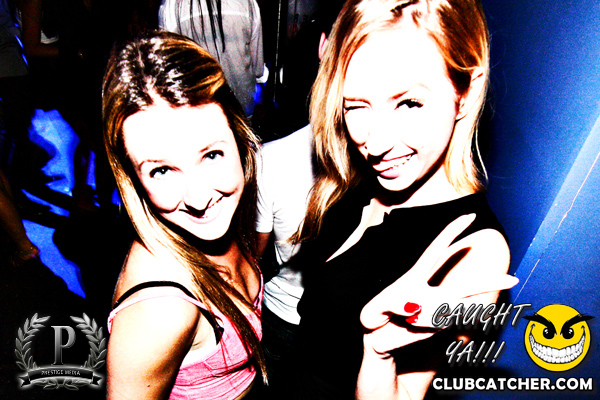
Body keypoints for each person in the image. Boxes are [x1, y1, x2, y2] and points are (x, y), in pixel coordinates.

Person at [291, 0, 518, 398]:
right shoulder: (362, 178)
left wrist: (379, 352)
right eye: (356, 106)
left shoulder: (473, 249)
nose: (375, 144)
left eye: (409, 103)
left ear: (466, 92)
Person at [102, 31, 266, 399]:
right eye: (161, 170)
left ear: (239, 138)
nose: (199, 198)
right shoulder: (162, 310)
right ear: (133, 178)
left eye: (212, 155)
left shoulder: (223, 219)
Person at [255, 2, 344, 395]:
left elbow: (252, 258)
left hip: (291, 323)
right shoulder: (397, 167)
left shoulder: (272, 159)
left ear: (323, 46)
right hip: (327, 334)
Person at [158, 0, 264, 116]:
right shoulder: (247, 2)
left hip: (197, 107)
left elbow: (168, 66)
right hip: (241, 105)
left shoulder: (172, 6)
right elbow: (258, 69)